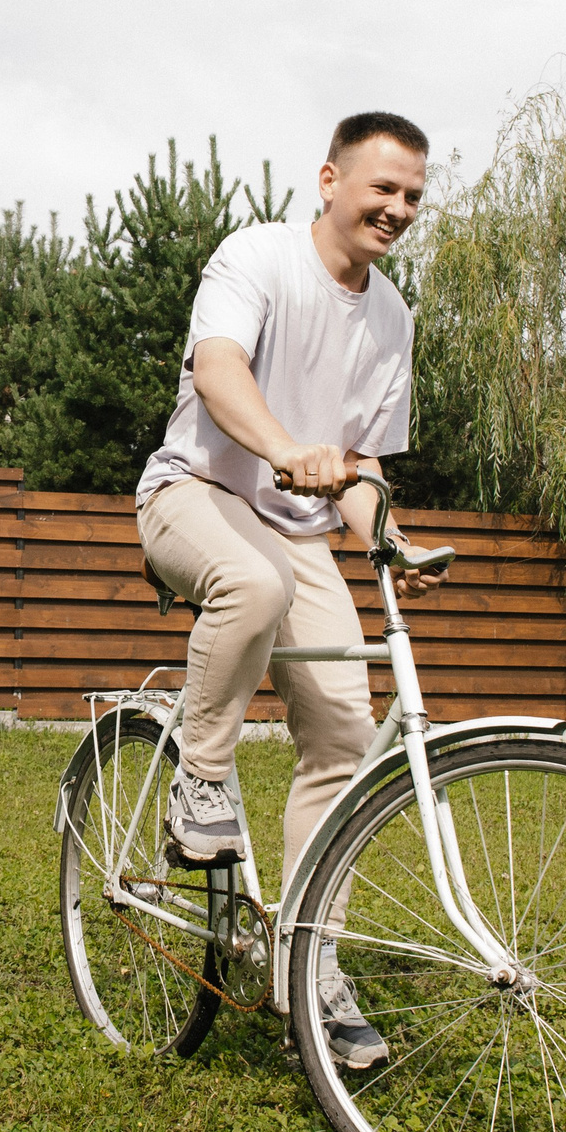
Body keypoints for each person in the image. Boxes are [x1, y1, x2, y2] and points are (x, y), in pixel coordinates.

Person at [133, 110, 448, 1068]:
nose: (396, 209)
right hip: (198, 490)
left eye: (413, 197)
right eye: (382, 188)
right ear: (329, 178)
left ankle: (309, 961)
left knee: (347, 735)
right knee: (253, 580)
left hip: (303, 527)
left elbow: (361, 466)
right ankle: (201, 774)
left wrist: (391, 540)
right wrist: (281, 452)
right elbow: (218, 367)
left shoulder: (390, 317)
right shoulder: (258, 258)